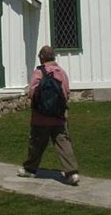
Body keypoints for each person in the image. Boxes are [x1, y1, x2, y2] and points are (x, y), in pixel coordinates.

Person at [18, 45, 80, 185]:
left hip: (40, 117)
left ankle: (30, 169)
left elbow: (32, 93)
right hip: (59, 116)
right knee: (63, 143)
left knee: (36, 143)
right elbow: (66, 93)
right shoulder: (61, 72)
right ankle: (72, 172)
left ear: (42, 57)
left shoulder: (39, 72)